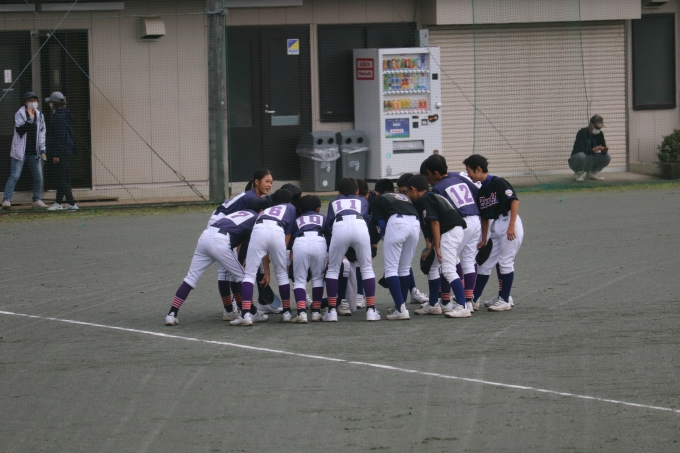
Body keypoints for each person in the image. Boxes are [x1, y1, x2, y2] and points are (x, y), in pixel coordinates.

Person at [165, 197, 270, 326]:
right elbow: (246, 244)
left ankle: (171, 314)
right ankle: (249, 313)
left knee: (190, 278)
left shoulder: (241, 212)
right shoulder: (256, 218)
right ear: (262, 210)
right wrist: (242, 261)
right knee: (243, 278)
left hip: (205, 236)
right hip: (220, 241)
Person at [208, 168, 276, 319]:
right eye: (266, 181)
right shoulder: (251, 198)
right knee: (228, 271)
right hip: (220, 223)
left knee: (234, 270)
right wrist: (242, 256)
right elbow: (242, 230)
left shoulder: (253, 197)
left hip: (222, 223)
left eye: (271, 182)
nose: (269, 185)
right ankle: (231, 308)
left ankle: (237, 306)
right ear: (256, 182)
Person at [420, 154, 482, 312]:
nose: (428, 179)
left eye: (428, 175)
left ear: (435, 173)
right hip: (476, 220)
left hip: (461, 223)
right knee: (468, 261)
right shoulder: (458, 180)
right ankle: (468, 301)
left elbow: (440, 216)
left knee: (447, 261)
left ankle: (446, 300)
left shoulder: (438, 188)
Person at [463, 154, 524, 312]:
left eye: (469, 170)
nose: (468, 174)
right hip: (496, 225)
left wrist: (511, 226)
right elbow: (484, 217)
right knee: (484, 264)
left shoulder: (498, 182)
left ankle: (505, 299)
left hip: (509, 221)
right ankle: (474, 299)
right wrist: (484, 239)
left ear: (478, 169)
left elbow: (514, 201)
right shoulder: (482, 191)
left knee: (505, 262)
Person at [406, 174, 471, 318]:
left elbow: (435, 223)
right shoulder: (432, 196)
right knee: (433, 267)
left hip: (450, 233)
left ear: (413, 189)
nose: (408, 195)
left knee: (448, 269)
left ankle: (463, 306)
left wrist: (437, 247)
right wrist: (431, 249)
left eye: (408, 192)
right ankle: (433, 304)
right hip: (450, 232)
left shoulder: (426, 198)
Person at [231, 189, 297, 326]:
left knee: (249, 274)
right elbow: (288, 234)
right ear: (290, 202)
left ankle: (246, 314)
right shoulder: (290, 207)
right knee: (281, 274)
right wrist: (279, 254)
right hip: (277, 230)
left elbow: (263, 242)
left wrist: (266, 267)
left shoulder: (266, 210)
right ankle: (286, 312)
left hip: (258, 230)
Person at [325, 177, 378, 322]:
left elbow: (329, 224)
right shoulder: (363, 200)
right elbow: (367, 219)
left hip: (339, 226)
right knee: (367, 268)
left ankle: (332, 312)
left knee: (333, 269)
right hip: (360, 225)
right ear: (357, 191)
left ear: (339, 192)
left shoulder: (334, 201)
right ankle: (371, 311)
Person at [370, 179, 420, 320]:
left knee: (391, 269)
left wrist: (385, 238)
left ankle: (401, 309)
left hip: (397, 223)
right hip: (415, 224)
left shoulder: (378, 198)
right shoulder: (403, 196)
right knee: (404, 268)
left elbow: (381, 223)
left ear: (377, 192)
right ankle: (401, 306)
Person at [2, 92, 48, 209]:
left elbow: (42, 133)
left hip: (34, 152)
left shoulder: (40, 115)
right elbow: (20, 130)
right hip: (20, 151)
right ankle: (6, 200)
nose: (33, 102)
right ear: (25, 102)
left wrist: (42, 150)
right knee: (14, 175)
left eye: (35, 100)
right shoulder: (20, 114)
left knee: (38, 177)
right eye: (30, 100)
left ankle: (36, 200)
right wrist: (29, 120)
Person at [290, 195, 330, 323]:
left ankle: (301, 313)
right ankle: (316, 313)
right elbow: (329, 234)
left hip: (300, 242)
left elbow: (290, 235)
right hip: (319, 241)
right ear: (318, 208)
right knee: (318, 278)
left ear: (300, 210)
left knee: (299, 280)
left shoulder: (297, 219)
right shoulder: (322, 217)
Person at [396, 172, 429, 305]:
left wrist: (428, 240)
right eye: (400, 192)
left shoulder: (421, 200)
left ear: (412, 188)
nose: (403, 195)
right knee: (404, 262)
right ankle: (412, 292)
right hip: (399, 229)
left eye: (405, 191)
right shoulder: (403, 201)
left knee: (405, 262)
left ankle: (414, 292)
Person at [44, 92, 78, 211]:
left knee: (61, 178)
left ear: (53, 103)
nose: (50, 104)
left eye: (51, 102)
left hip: (60, 151)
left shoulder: (57, 117)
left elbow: (59, 136)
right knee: (64, 177)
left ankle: (71, 203)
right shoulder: (67, 114)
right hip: (67, 150)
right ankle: (58, 202)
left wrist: (56, 154)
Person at [569, 115, 611, 181]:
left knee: (607, 156)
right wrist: (593, 149)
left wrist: (604, 150)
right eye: (596, 127)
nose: (598, 129)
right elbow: (579, 149)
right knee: (581, 155)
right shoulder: (582, 132)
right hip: (577, 159)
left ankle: (592, 173)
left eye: (599, 128)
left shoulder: (600, 134)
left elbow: (603, 146)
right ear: (591, 125)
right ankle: (579, 173)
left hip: (590, 159)